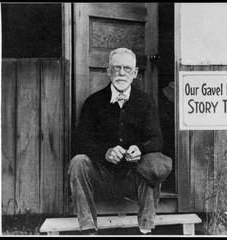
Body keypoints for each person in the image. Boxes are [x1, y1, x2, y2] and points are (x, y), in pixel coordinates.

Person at [68, 47, 172, 235]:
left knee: (153, 164)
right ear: (109, 71)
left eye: (127, 68)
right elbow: (80, 141)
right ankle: (88, 229)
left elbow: (157, 140)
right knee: (78, 162)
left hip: (134, 177)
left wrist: (140, 149)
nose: (121, 73)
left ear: (135, 73)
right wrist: (104, 153)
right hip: (102, 177)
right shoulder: (94, 102)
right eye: (116, 68)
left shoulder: (145, 101)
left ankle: (146, 228)